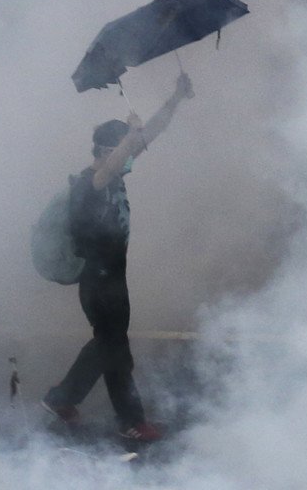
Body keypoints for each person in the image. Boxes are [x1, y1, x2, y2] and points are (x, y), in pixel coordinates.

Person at [41, 72, 195, 444]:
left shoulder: (112, 173)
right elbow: (115, 163)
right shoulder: (89, 183)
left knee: (106, 343)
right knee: (116, 352)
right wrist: (129, 134)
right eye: (121, 151)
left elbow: (147, 137)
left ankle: (62, 399)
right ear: (104, 151)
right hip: (99, 279)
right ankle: (131, 421)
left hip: (113, 277)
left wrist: (175, 99)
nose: (129, 159)